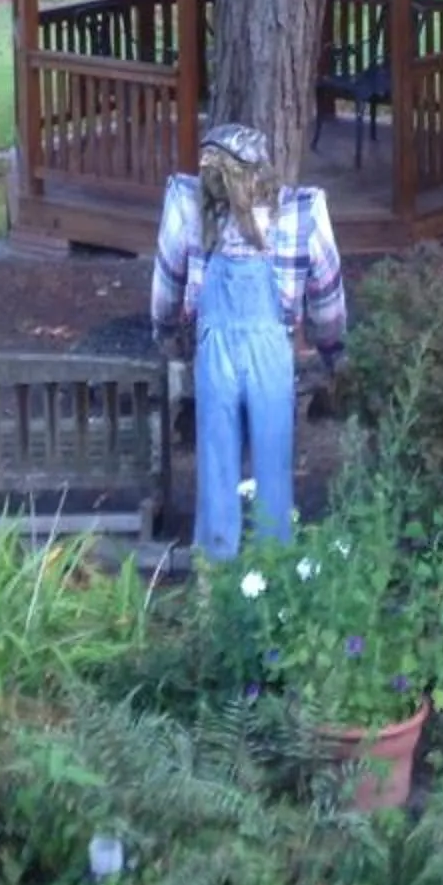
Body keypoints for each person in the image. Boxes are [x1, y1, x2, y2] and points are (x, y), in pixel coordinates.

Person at [150, 121, 346, 562]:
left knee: (217, 468)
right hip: (272, 355)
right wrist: (334, 352)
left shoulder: (188, 208)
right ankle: (272, 574)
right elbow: (328, 298)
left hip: (215, 354)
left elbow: (166, 285)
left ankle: (214, 574)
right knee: (273, 466)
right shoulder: (300, 213)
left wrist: (166, 336)